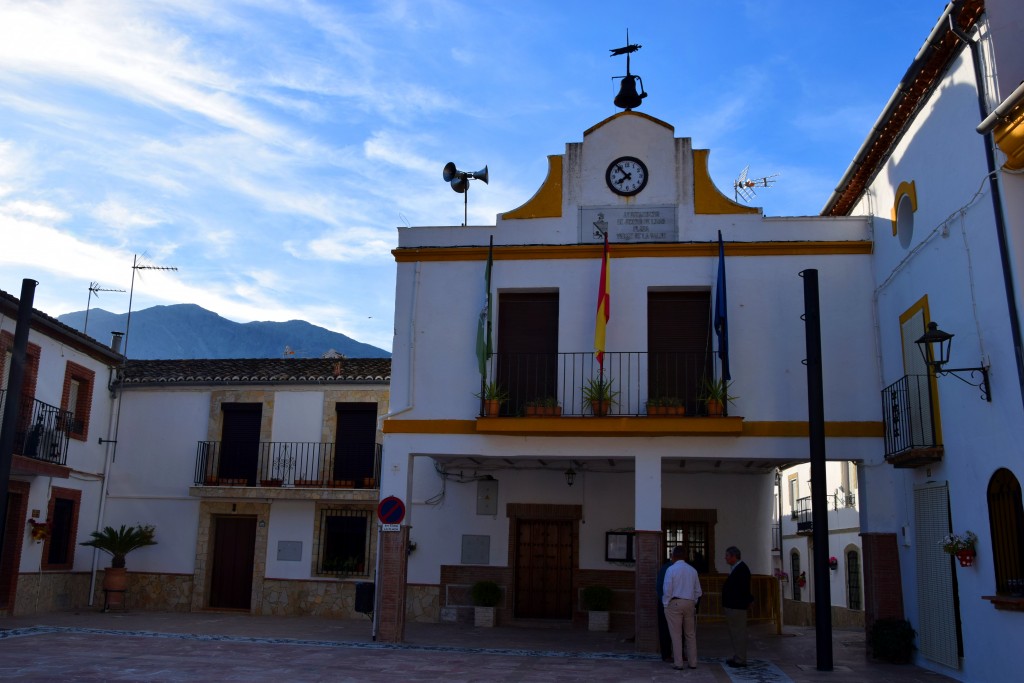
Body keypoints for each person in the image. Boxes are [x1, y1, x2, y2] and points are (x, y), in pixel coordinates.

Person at [662, 545, 702, 670]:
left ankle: (678, 663)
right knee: (690, 634)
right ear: (685, 556)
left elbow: (667, 589)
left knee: (676, 634)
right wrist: (693, 602)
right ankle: (693, 662)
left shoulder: (671, 569)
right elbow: (698, 591)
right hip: (689, 603)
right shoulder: (692, 570)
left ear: (673, 556)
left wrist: (666, 603)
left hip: (675, 603)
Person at [722, 545, 753, 668]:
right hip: (733, 606)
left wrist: (748, 600)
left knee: (738, 633)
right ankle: (737, 656)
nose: (725, 558)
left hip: (737, 607)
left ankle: (740, 659)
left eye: (727, 556)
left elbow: (743, 589)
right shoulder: (736, 568)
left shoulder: (742, 569)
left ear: (734, 557)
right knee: (735, 633)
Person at [656, 555, 673, 661]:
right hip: (674, 602)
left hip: (667, 603)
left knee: (665, 630)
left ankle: (667, 654)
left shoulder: (665, 568)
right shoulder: (689, 569)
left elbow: (659, 587)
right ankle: (676, 654)